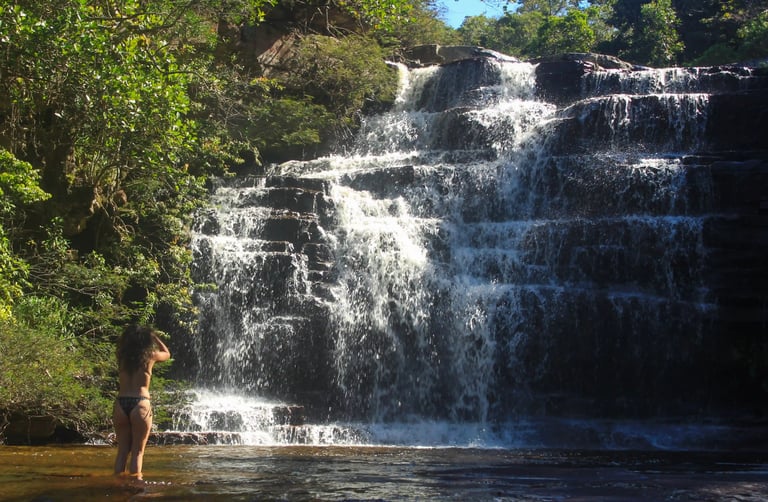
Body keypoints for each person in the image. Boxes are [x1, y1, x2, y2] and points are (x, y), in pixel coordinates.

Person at [113, 324, 171, 479]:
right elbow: (167, 354)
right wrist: (155, 337)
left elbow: (121, 344)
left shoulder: (121, 356)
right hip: (140, 403)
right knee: (138, 452)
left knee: (122, 451)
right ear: (145, 340)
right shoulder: (150, 356)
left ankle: (116, 487)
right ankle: (136, 488)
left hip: (121, 403)